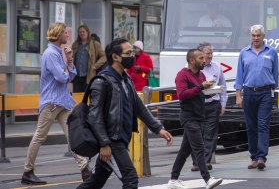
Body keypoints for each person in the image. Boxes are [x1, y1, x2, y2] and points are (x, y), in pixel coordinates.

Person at [77, 38, 173, 189]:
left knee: (95, 182)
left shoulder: (125, 79)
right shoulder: (102, 81)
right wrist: (104, 144)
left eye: (133, 52)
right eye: (128, 53)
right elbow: (94, 117)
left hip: (121, 138)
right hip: (112, 140)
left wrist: (158, 128)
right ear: (115, 57)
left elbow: (139, 107)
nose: (132, 56)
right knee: (131, 179)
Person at [21, 22, 91, 185]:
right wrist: (66, 68)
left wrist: (69, 60)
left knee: (72, 135)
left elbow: (71, 75)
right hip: (52, 101)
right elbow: (62, 77)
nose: (68, 35)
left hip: (62, 101)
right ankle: (27, 171)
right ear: (59, 34)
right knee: (40, 136)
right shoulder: (50, 54)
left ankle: (85, 169)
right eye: (66, 33)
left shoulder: (59, 53)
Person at [167, 49, 223, 189]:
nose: (204, 60)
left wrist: (209, 92)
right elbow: (182, 95)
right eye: (200, 58)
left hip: (199, 116)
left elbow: (200, 93)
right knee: (199, 148)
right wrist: (200, 87)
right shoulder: (182, 75)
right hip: (189, 117)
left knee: (184, 150)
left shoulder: (201, 74)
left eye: (204, 58)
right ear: (192, 61)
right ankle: (207, 179)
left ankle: (173, 179)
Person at [235, 24, 279, 171]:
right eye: (253, 35)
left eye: (258, 35)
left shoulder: (271, 52)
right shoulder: (244, 53)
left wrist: (273, 91)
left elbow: (275, 74)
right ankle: (253, 157)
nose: (255, 38)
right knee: (251, 127)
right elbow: (239, 76)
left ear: (263, 36)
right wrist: (238, 95)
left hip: (265, 93)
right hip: (248, 93)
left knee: (263, 126)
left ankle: (261, 157)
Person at [189, 42, 227, 172]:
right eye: (207, 53)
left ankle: (204, 161)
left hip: (213, 104)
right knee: (197, 133)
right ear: (200, 54)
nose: (210, 56)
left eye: (211, 53)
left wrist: (223, 104)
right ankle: (197, 162)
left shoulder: (217, 67)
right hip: (198, 105)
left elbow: (223, 87)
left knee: (211, 134)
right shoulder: (193, 68)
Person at [71, 24, 106, 92]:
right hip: (77, 76)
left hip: (88, 76)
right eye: (80, 32)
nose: (82, 33)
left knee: (87, 97)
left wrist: (95, 66)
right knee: (77, 97)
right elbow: (71, 57)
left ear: (87, 32)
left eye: (83, 31)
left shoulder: (95, 44)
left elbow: (104, 57)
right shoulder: (75, 44)